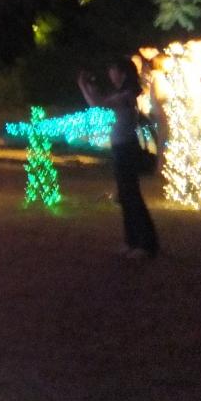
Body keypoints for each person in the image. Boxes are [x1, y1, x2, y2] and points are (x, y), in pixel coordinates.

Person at [78, 59, 159, 258]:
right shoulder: (124, 94)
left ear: (122, 72)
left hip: (126, 149)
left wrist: (83, 85)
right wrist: (88, 88)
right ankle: (133, 241)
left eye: (112, 70)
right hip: (122, 148)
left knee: (131, 195)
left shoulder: (127, 95)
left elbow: (97, 103)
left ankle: (146, 244)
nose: (110, 74)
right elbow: (99, 102)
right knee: (126, 195)